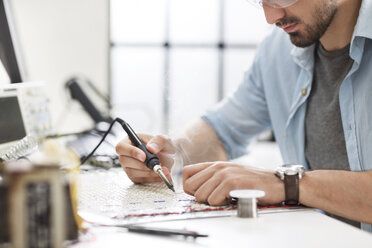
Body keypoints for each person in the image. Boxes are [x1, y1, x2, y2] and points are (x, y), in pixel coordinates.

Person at [116, 0, 372, 232]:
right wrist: (169, 152)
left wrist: (289, 184)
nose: (271, 17)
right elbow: (221, 131)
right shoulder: (277, 49)